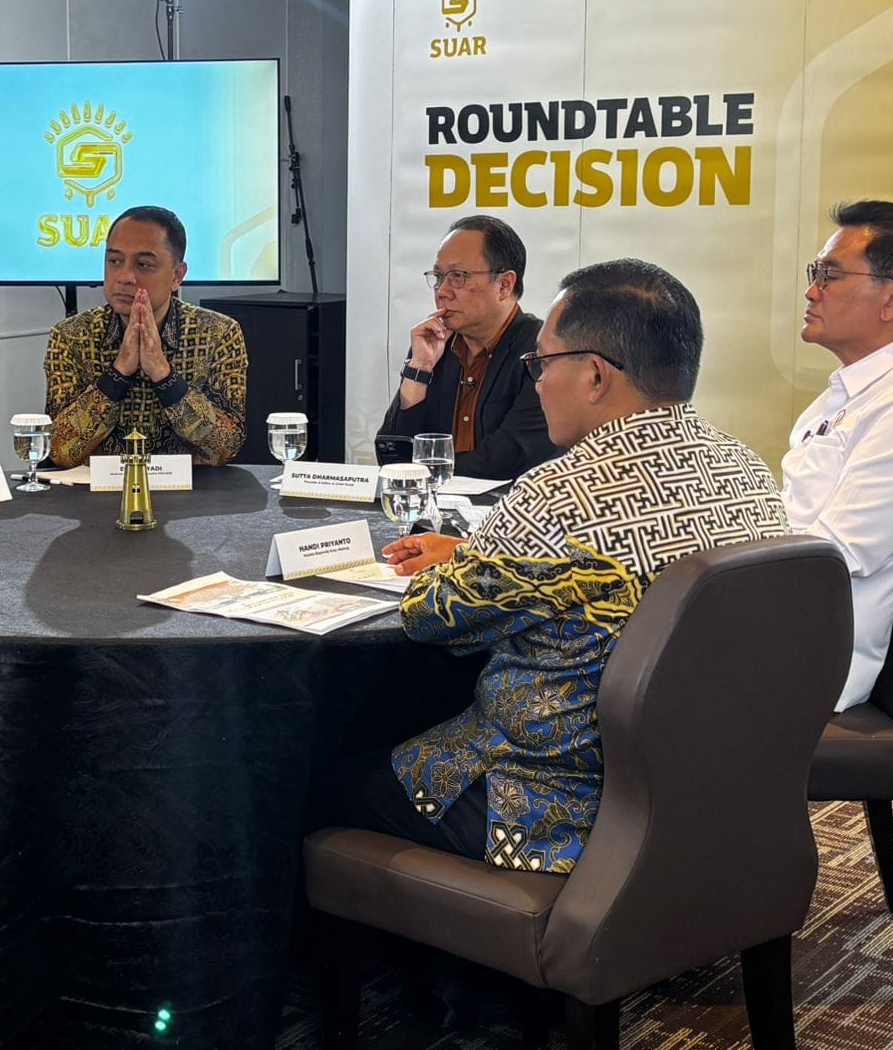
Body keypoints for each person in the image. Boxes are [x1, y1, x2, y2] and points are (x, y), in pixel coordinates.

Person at [322, 260, 788, 876]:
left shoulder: (559, 494)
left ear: (595, 374)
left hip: (549, 804)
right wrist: (472, 552)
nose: (536, 384)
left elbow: (431, 616)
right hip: (702, 787)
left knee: (313, 778)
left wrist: (461, 562)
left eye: (541, 365)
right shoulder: (746, 469)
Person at [785, 201, 893, 712]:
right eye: (816, 273)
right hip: (772, 623)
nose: (812, 291)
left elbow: (829, 560)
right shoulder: (852, 394)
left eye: (830, 275)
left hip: (807, 658)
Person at [44, 205, 247, 467]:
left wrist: (164, 375)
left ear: (177, 276)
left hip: (191, 489)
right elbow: (59, 451)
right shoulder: (71, 336)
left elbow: (227, 448)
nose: (125, 277)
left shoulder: (219, 334)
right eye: (114, 261)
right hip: (98, 490)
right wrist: (118, 373)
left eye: (144, 265)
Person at [378, 215, 559, 480]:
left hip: (516, 502)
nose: (442, 291)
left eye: (458, 276)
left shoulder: (545, 352)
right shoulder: (435, 345)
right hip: (432, 501)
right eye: (438, 277)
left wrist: (422, 473)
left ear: (504, 285)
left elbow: (505, 462)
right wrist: (420, 369)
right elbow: (392, 456)